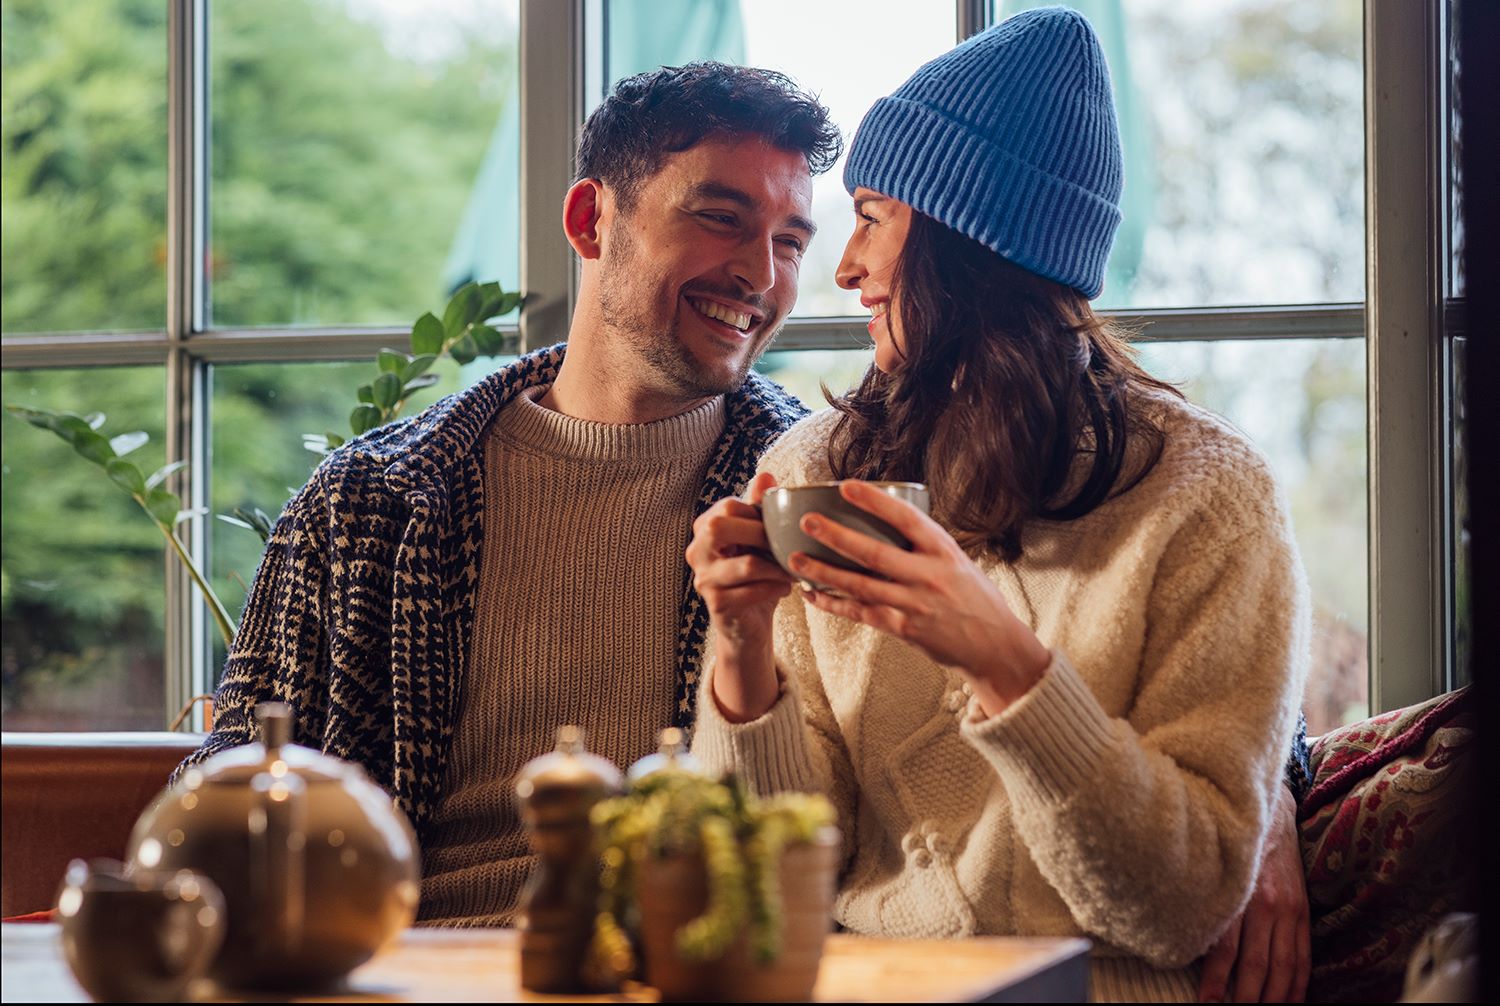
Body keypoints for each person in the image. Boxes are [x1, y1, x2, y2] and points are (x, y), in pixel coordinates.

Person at [684, 9, 1309, 1002]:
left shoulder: (1206, 496)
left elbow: (1182, 903)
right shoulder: (815, 465)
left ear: (970, 240)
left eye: (874, 218)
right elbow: (767, 891)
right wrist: (740, 647)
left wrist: (1003, 660)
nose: (844, 268)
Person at [178, 61, 840, 926]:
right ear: (590, 220)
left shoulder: (809, 497)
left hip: (679, 969)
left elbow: (842, 840)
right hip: (392, 972)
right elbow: (228, 794)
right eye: (721, 219)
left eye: (791, 241)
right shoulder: (365, 504)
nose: (762, 273)